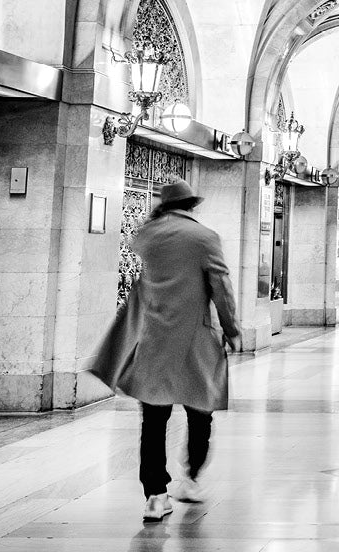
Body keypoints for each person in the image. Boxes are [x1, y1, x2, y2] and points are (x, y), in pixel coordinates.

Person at [83, 178, 242, 522]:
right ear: (190, 205)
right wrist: (232, 330)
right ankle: (191, 478)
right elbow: (221, 288)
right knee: (201, 413)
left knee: (153, 422)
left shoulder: (148, 235)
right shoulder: (205, 238)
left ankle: (155, 496)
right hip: (196, 342)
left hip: (154, 340)